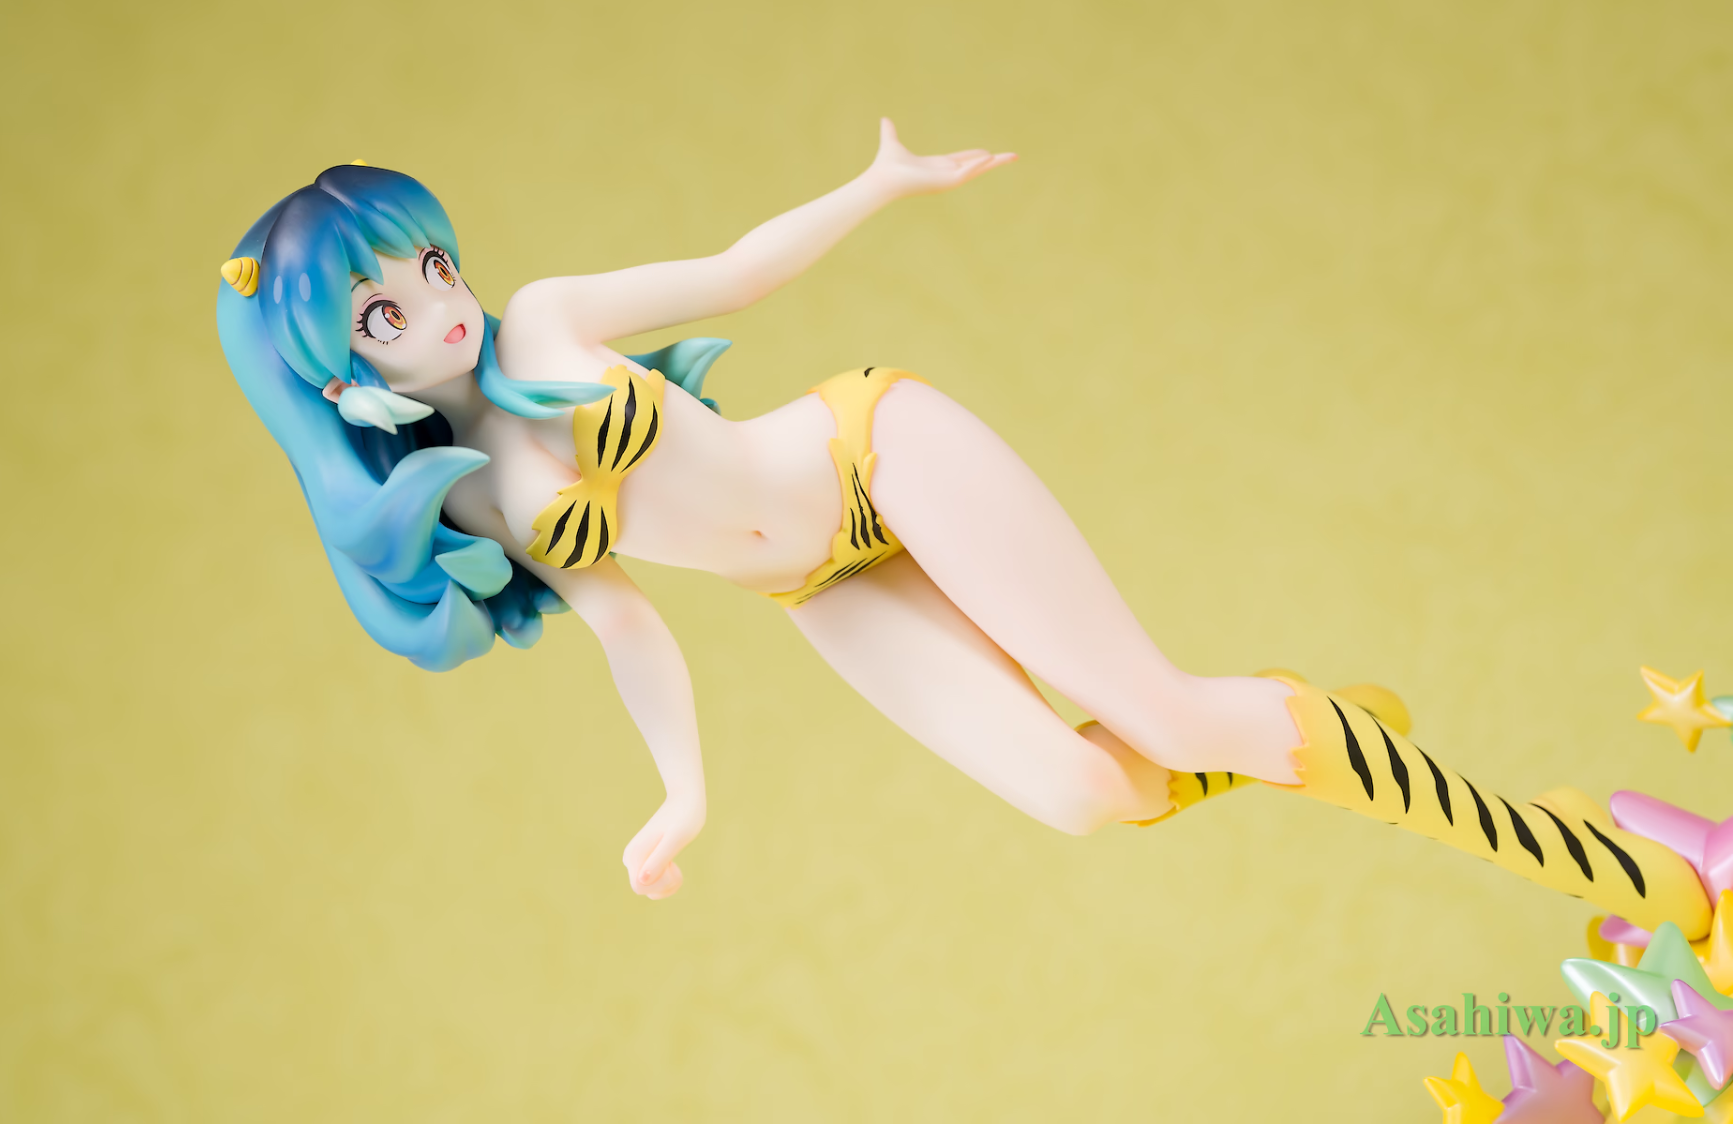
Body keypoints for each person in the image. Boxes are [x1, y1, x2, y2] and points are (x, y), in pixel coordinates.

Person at [216, 122, 1712, 937]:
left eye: (432, 262)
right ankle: (1299, 727)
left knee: (1158, 712)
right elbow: (626, 621)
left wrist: (876, 187)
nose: (440, 303)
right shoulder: (475, 496)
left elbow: (736, 275)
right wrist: (683, 792)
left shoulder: (549, 320)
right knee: (1082, 793)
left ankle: (1613, 867)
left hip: (872, 454)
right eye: (385, 310)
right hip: (820, 586)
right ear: (344, 374)